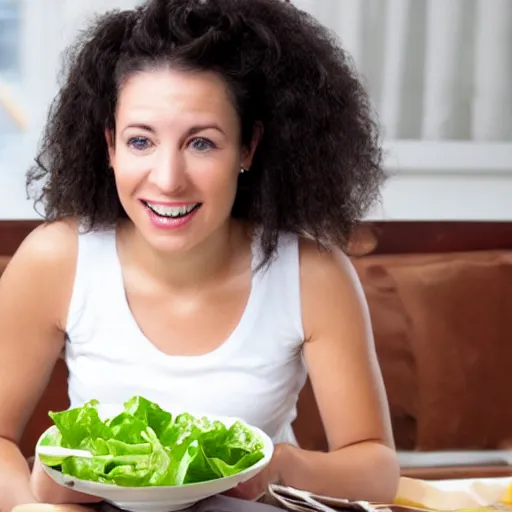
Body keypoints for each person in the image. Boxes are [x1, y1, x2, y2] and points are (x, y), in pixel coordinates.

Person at [0, 0, 399, 510]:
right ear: (109, 147)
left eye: (202, 144)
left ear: (248, 148)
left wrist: (270, 467)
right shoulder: (56, 260)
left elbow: (377, 467)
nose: (168, 180)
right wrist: (33, 507)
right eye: (140, 141)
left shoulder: (312, 274)